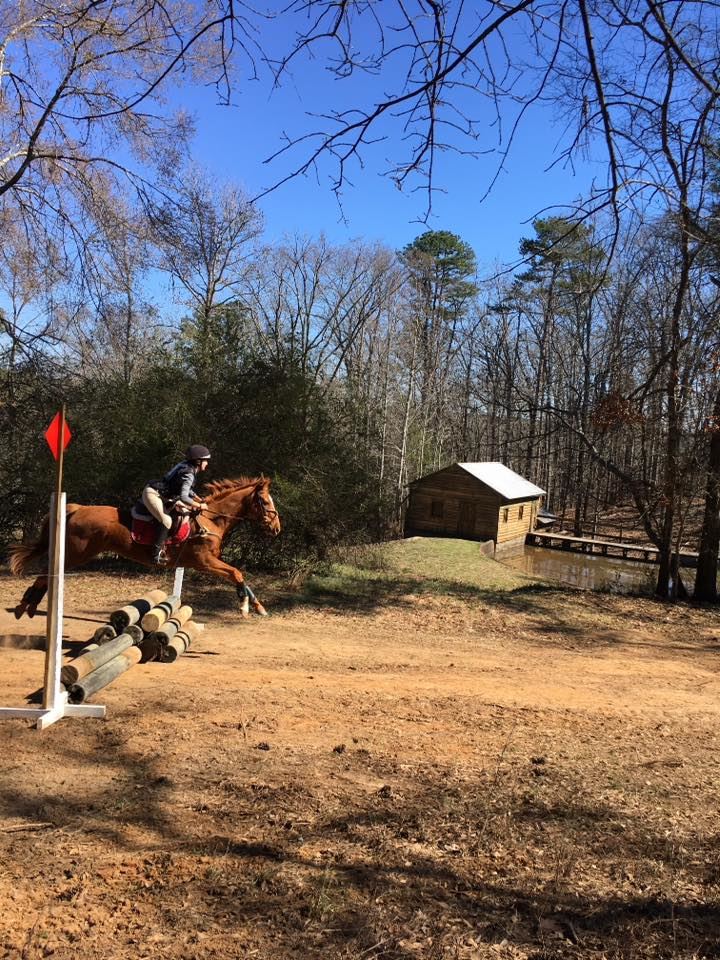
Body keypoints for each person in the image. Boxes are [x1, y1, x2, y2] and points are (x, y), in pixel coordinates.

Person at [142, 444, 211, 564]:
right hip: (153, 494)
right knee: (166, 520)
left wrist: (197, 498)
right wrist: (199, 505)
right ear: (198, 461)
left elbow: (186, 489)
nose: (207, 463)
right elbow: (184, 497)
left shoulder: (187, 466)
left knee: (184, 513)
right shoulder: (189, 473)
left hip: (164, 495)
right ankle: (155, 554)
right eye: (205, 460)